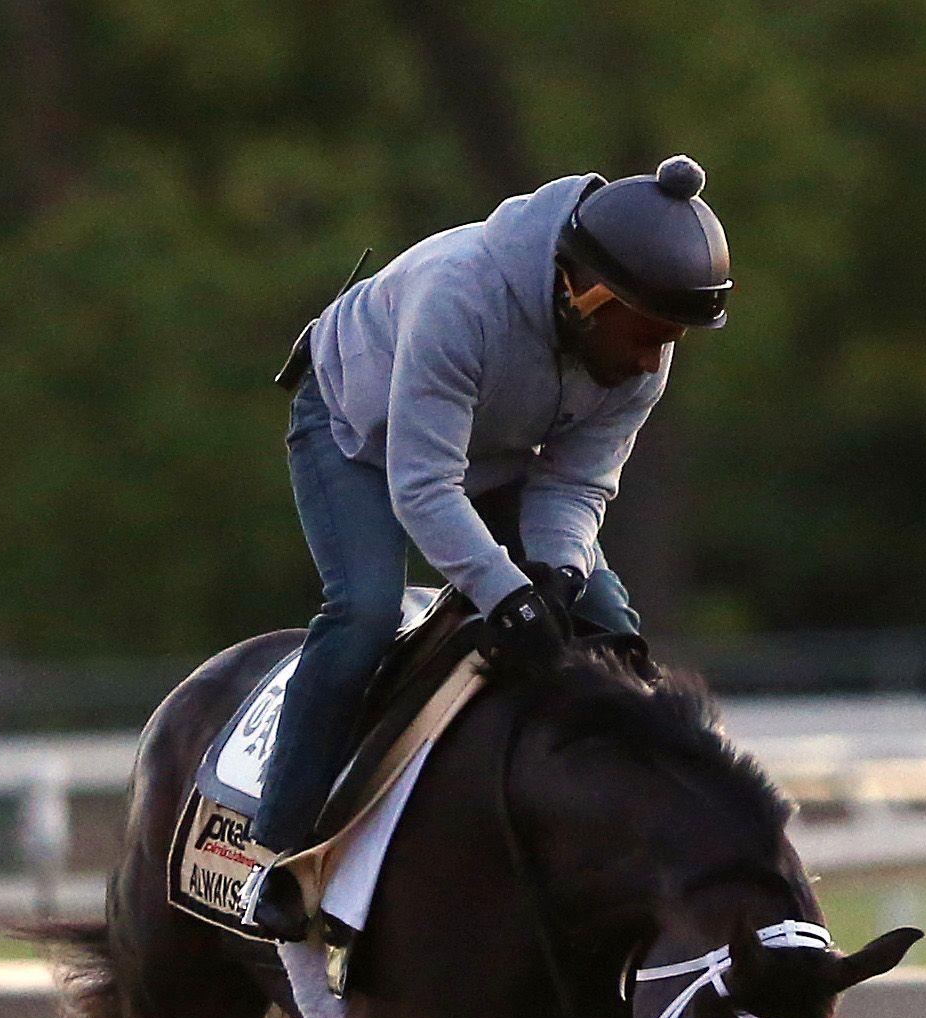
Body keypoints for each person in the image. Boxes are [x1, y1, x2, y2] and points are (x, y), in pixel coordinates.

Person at [237, 154, 733, 942]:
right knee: (364, 610)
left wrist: (560, 574)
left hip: (497, 453)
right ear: (584, 295)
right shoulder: (459, 296)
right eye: (643, 334)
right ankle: (280, 849)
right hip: (357, 434)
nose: (650, 359)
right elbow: (423, 486)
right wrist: (506, 594)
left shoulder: (642, 347)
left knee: (604, 613)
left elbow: (574, 490)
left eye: (667, 339)